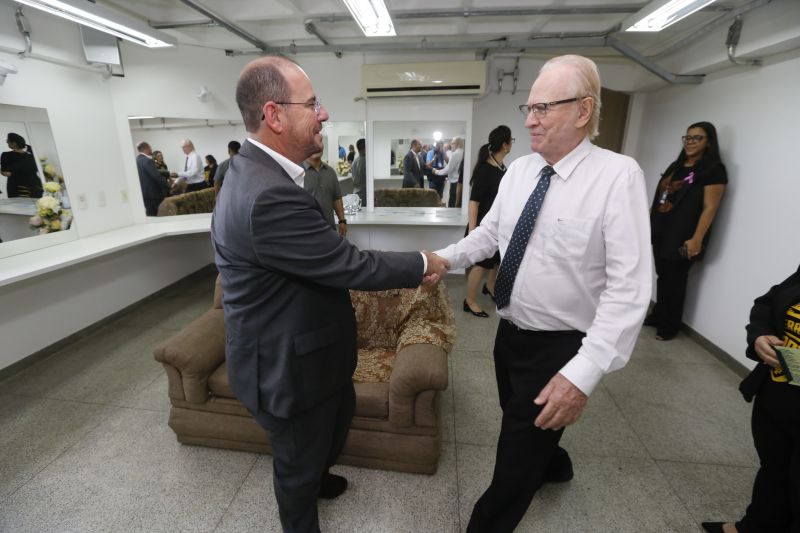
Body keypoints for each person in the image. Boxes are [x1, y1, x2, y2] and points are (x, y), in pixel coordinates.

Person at [210, 55, 449, 533]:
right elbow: (350, 264)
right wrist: (424, 261)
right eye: (313, 104)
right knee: (296, 468)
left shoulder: (253, 172)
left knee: (329, 433)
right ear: (274, 115)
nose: (323, 114)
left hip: (313, 357)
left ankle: (319, 476)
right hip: (288, 370)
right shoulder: (268, 193)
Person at [435, 54, 652, 532]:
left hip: (561, 346)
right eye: (529, 108)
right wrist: (443, 259)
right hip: (510, 333)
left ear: (583, 110)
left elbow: (630, 287)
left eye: (543, 108)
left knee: (514, 458)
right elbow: (489, 235)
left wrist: (581, 376)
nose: (529, 120)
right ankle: (553, 464)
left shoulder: (618, 177)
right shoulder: (519, 171)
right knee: (523, 424)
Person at [701, 264, 800, 533]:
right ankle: (756, 526)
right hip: (779, 392)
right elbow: (768, 302)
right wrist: (760, 335)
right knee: (774, 468)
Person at [645, 121, 727, 341]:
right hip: (661, 229)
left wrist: (697, 239)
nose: (690, 142)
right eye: (687, 137)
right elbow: (661, 196)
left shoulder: (714, 171)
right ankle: (659, 315)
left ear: (709, 143)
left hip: (683, 235)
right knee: (663, 275)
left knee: (675, 280)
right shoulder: (677, 166)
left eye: (697, 138)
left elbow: (710, 208)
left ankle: (669, 326)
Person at [462, 125, 513, 318]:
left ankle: (490, 287)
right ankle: (469, 301)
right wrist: (473, 231)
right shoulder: (485, 169)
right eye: (511, 141)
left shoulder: (502, 168)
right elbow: (474, 202)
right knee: (481, 264)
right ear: (505, 145)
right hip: (483, 227)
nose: (511, 144)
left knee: (497, 261)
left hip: (499, 226)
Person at [304, 151, 347, 236]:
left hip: (329, 231)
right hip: (307, 233)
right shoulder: (298, 172)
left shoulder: (330, 172)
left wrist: (342, 221)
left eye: (320, 145)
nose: (317, 148)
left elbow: (336, 198)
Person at [1, 132, 43, 198]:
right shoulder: (31, 155)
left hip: (19, 187)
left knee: (20, 203)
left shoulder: (6, 155)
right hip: (35, 185)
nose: (6, 142)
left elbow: (6, 173)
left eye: (8, 141)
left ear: (14, 143)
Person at [135, 141, 171, 216]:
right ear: (147, 148)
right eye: (150, 147)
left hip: (144, 194)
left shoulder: (137, 160)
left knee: (151, 215)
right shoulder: (148, 160)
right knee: (160, 215)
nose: (151, 149)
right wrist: (169, 187)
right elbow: (156, 176)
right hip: (154, 195)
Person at [434, 136, 464, 207]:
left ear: (457, 144)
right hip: (459, 181)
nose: (451, 145)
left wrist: (436, 172)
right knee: (457, 203)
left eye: (452, 143)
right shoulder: (462, 152)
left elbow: (448, 169)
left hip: (455, 182)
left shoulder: (456, 153)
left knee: (452, 203)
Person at [351, 138, 366, 206]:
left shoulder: (355, 161)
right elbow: (362, 179)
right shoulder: (364, 161)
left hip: (356, 192)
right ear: (363, 148)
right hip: (362, 193)